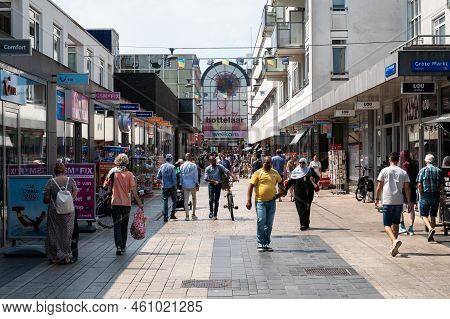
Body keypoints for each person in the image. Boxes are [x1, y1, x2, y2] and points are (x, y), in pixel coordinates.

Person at [104, 154, 144, 256]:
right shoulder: (130, 174)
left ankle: (118, 246)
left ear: (117, 161)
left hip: (115, 203)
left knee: (117, 225)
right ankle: (123, 246)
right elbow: (134, 191)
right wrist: (140, 204)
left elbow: (105, 185)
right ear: (126, 162)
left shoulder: (112, 172)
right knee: (124, 225)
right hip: (126, 203)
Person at [375, 152, 411, 257]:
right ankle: (393, 247)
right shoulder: (403, 172)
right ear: (398, 160)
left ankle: (394, 241)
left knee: (386, 225)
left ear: (389, 159)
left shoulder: (384, 171)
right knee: (396, 224)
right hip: (398, 201)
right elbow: (407, 188)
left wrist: (377, 198)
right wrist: (408, 202)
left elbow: (379, 186)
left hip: (387, 201)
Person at [246, 156, 283, 252]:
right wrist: (248, 201)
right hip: (260, 202)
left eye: (270, 162)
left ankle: (266, 243)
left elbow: (280, 182)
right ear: (263, 163)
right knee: (261, 220)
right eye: (267, 162)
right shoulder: (257, 173)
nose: (269, 164)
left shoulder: (275, 173)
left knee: (269, 224)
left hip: (272, 202)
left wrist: (280, 192)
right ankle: (260, 242)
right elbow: (250, 186)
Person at [44, 163, 78, 264]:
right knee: (67, 233)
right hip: (68, 211)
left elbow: (46, 199)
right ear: (64, 170)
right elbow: (74, 196)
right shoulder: (70, 181)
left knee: (53, 232)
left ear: (55, 171)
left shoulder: (50, 182)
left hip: (54, 210)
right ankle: (67, 255)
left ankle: (55, 256)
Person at [284, 158, 320, 231]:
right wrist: (285, 190)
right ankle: (303, 224)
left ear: (306, 163)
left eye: (303, 163)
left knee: (307, 208)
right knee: (300, 208)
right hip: (298, 193)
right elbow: (290, 182)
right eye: (300, 163)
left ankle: (306, 223)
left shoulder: (310, 170)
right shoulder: (295, 172)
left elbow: (317, 178)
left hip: (308, 193)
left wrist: (313, 180)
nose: (301, 164)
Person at [416, 154, 445, 242]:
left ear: (426, 161)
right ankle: (431, 236)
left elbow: (420, 184)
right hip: (435, 195)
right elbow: (441, 185)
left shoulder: (422, 170)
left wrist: (420, 193)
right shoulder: (438, 171)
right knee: (433, 215)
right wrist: (442, 195)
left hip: (425, 194)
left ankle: (430, 229)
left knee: (423, 215)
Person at [205, 154, 233, 220]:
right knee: (211, 200)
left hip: (218, 185)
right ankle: (211, 211)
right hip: (211, 185)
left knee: (216, 200)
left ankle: (215, 214)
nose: (214, 162)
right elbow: (206, 178)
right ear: (210, 161)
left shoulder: (220, 166)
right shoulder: (208, 169)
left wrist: (233, 176)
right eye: (212, 161)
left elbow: (227, 171)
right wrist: (213, 181)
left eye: (214, 160)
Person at [399, 150, 419, 235]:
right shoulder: (415, 164)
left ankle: (402, 225)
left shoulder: (401, 166)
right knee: (412, 208)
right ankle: (411, 228)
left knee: (400, 208)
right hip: (412, 188)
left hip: (402, 188)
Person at [156, 154, 178, 222]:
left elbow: (158, 177)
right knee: (174, 200)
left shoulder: (162, 166)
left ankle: (165, 216)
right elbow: (174, 178)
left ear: (166, 159)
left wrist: (162, 183)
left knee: (165, 201)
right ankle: (172, 214)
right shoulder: (172, 167)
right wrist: (175, 186)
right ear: (171, 159)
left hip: (164, 186)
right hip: (171, 186)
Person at [180, 153, 199, 221]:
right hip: (192, 184)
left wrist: (181, 184)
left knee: (186, 200)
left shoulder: (182, 166)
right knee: (194, 199)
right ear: (191, 157)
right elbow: (195, 176)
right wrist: (197, 184)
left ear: (185, 157)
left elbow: (181, 176)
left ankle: (187, 216)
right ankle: (193, 214)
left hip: (185, 184)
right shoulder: (194, 165)